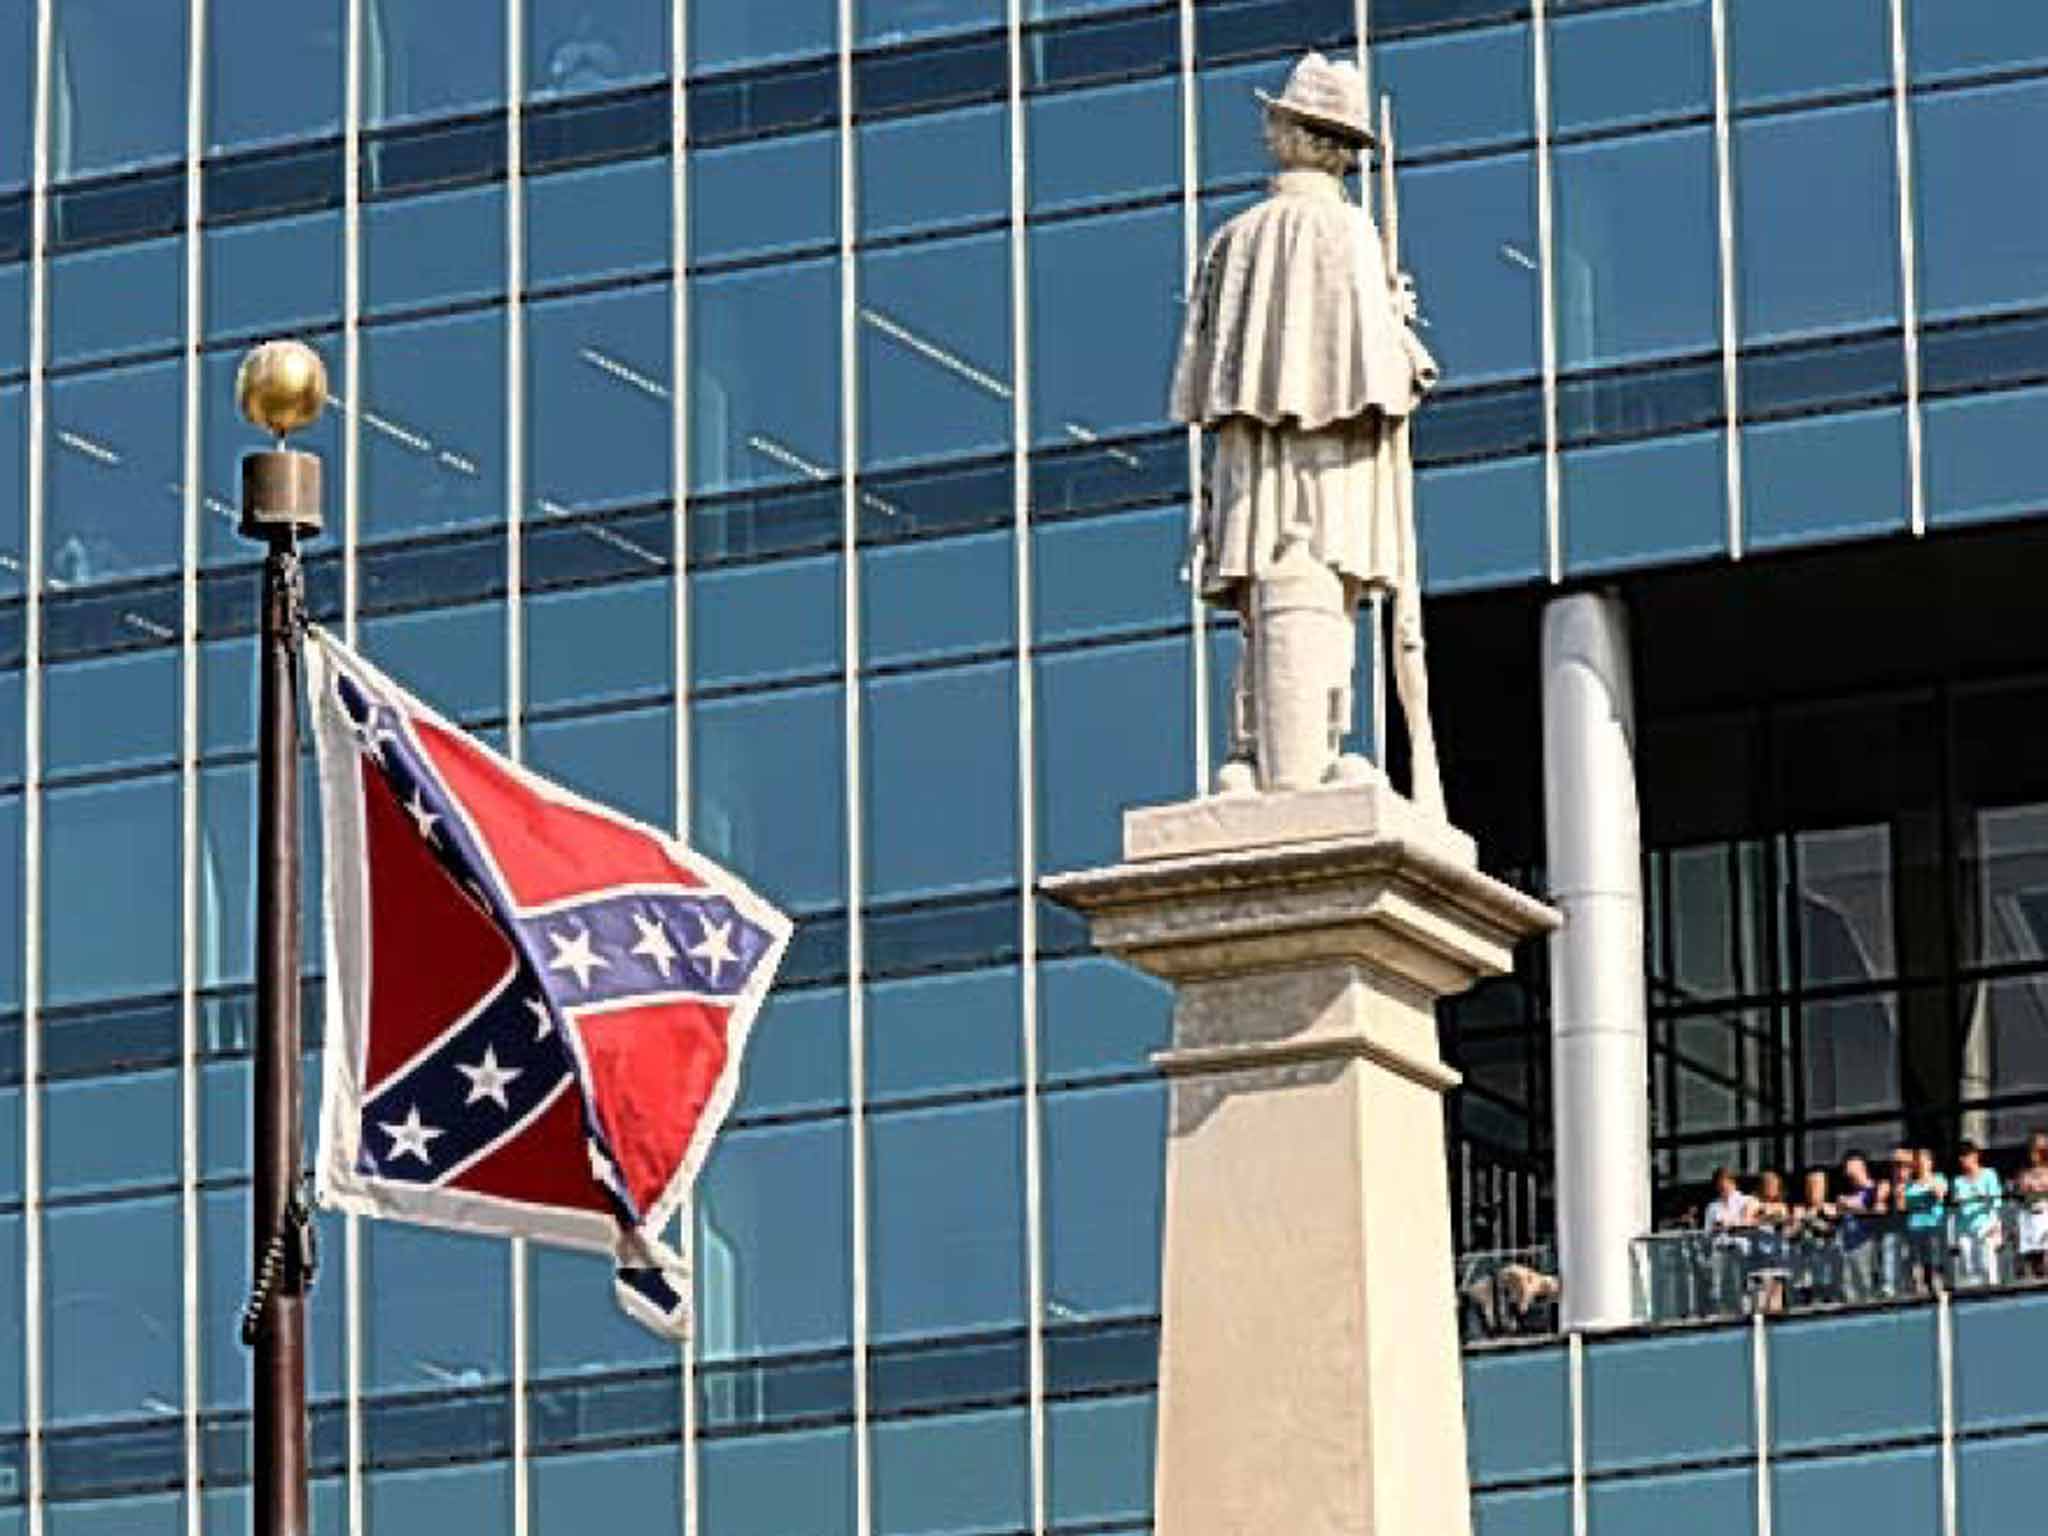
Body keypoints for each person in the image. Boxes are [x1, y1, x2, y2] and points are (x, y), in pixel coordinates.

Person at [1171, 52, 1441, 805]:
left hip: (1258, 463)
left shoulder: (1235, 240)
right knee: (1325, 599)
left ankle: (1254, 752)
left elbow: (1209, 376)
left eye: (1281, 117)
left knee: (1267, 605)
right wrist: (1399, 328)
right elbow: (1383, 375)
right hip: (1330, 461)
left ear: (1302, 135)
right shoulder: (1344, 235)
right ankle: (1308, 752)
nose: (1269, 127)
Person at [1950, 1139, 2005, 1287]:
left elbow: (1996, 1203)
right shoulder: (1957, 1181)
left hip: (1986, 1227)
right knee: (1968, 1268)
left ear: (1975, 1156)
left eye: (1965, 1155)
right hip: (1965, 1231)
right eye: (1960, 1156)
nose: (1962, 1159)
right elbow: (1956, 1209)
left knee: (1988, 1265)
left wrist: (1995, 1226)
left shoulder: (1989, 1175)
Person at [1836, 1151, 1888, 1303]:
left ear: (1862, 1166)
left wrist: (1851, 1207)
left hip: (1867, 1245)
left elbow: (1879, 1211)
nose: (1849, 1172)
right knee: (1850, 1288)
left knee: (1867, 1287)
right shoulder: (1847, 1195)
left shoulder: (1877, 1190)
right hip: (1848, 1247)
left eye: (1853, 1168)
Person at [1900, 1146, 1950, 1294]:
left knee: (1934, 1264)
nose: (1921, 1164)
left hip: (1933, 1227)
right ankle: (1920, 1294)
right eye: (1918, 1161)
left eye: (1924, 1160)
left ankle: (1939, 1293)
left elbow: (1940, 1194)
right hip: (1915, 1230)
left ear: (1930, 1162)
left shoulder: (1939, 1178)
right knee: (1917, 1266)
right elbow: (1902, 1205)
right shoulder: (1910, 1185)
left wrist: (1927, 1185)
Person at [1792, 1167, 1842, 1305]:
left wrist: (1814, 1219)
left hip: (1827, 1271)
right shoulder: (1799, 1210)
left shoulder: (1831, 1209)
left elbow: (1832, 1232)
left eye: (1818, 1185)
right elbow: (1789, 1235)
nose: (1814, 1190)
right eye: (1811, 1185)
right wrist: (1800, 1221)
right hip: (1805, 1272)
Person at [1749, 1170, 1794, 1312]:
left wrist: (1792, 1224)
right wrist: (1766, 1216)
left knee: (1776, 1303)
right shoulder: (1753, 1203)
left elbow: (1787, 1232)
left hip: (1778, 1259)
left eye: (1775, 1185)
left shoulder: (1782, 1206)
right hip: (1761, 1261)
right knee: (1761, 1304)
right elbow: (1748, 1221)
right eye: (1769, 1184)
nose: (1773, 1188)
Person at [2015, 1131, 2048, 1282]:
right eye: (2034, 1149)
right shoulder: (2023, 1172)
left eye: (2041, 1148)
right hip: (2030, 1219)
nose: (2037, 1153)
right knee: (2036, 1263)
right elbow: (2021, 1193)